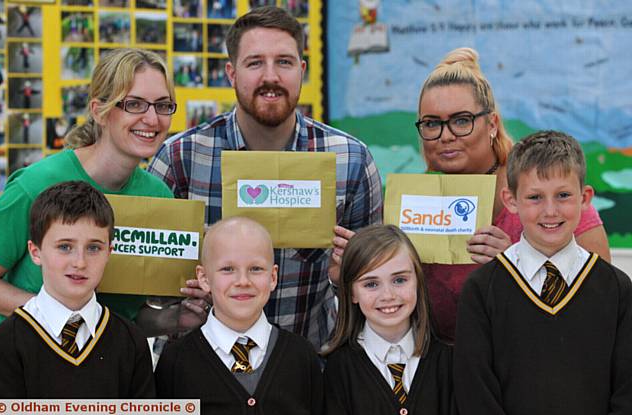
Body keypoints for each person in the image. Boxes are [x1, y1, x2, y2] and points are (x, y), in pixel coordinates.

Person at [148, 6, 382, 350]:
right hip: (199, 368)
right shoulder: (181, 157)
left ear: (302, 71)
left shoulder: (350, 160)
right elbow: (147, 290)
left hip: (309, 368)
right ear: (231, 73)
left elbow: (372, 286)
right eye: (255, 63)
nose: (270, 76)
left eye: (284, 62)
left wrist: (345, 275)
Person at [0, 48, 206, 335]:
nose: (153, 119)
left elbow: (127, 317)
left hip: (109, 370)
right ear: (99, 111)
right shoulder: (35, 185)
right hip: (28, 363)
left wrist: (176, 318)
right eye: (134, 104)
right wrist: (52, 315)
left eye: (162, 105)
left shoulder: (158, 197)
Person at [414, 47, 610, 342]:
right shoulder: (413, 203)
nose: (445, 135)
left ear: (491, 124)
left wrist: (518, 263)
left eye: (461, 120)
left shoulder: (545, 193)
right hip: (443, 376)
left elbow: (602, 305)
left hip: (532, 373)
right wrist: (360, 266)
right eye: (431, 123)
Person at [454, 131, 632, 415]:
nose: (550, 211)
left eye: (563, 195)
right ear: (511, 200)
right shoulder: (481, 289)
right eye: (535, 197)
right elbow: (474, 391)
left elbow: (627, 392)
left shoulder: (617, 289)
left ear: (585, 197)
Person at [0, 181, 155, 398]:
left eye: (94, 248)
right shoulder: (4, 344)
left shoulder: (131, 341)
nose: (80, 262)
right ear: (35, 252)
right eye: (64, 247)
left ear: (109, 252)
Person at [155, 217, 323, 414]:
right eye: (228, 269)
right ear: (204, 278)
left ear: (273, 277)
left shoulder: (301, 355)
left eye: (256, 269)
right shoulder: (175, 361)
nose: (243, 281)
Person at [323, 224, 454, 415]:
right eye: (371, 284)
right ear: (352, 293)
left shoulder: (449, 361)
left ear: (418, 281)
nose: (388, 295)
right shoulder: (338, 368)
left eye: (399, 280)